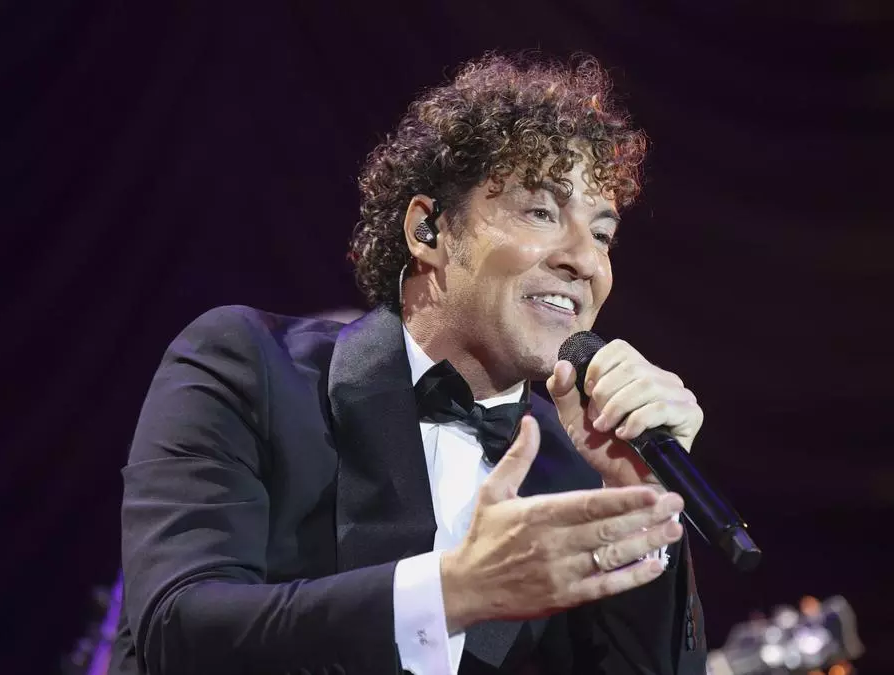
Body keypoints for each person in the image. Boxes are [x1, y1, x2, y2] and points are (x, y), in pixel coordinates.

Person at [111, 52, 708, 675]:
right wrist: (452, 592)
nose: (584, 261)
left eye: (603, 234)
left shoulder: (580, 469)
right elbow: (177, 632)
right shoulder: (249, 367)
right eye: (541, 213)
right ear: (428, 230)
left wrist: (642, 497)